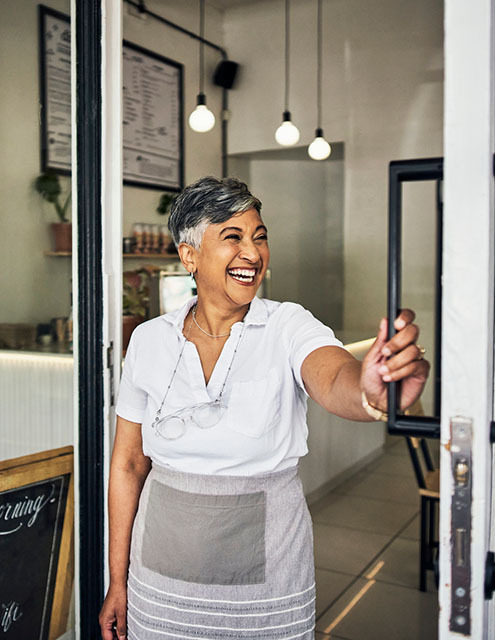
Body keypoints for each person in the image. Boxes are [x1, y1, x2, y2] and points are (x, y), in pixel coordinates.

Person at [100, 177, 429, 639]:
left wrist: (371, 390)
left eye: (260, 237)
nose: (253, 254)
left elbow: (334, 376)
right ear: (188, 254)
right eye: (232, 237)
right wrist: (118, 580)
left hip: (264, 579)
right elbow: (128, 463)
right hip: (159, 572)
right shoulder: (149, 340)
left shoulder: (288, 324)